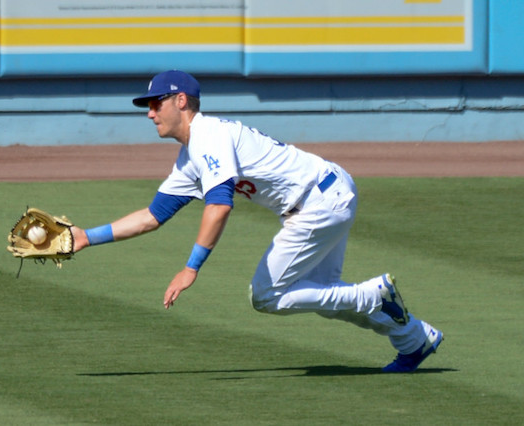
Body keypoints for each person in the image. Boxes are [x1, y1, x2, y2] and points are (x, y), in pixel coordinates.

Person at [70, 70, 443, 373]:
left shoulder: (208, 137)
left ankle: (372, 294)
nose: (149, 113)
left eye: (154, 103)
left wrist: (191, 268)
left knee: (266, 296)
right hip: (327, 192)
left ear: (179, 101)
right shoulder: (190, 158)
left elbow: (220, 206)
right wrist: (88, 236)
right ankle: (413, 340)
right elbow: (153, 217)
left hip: (317, 201)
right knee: (326, 294)